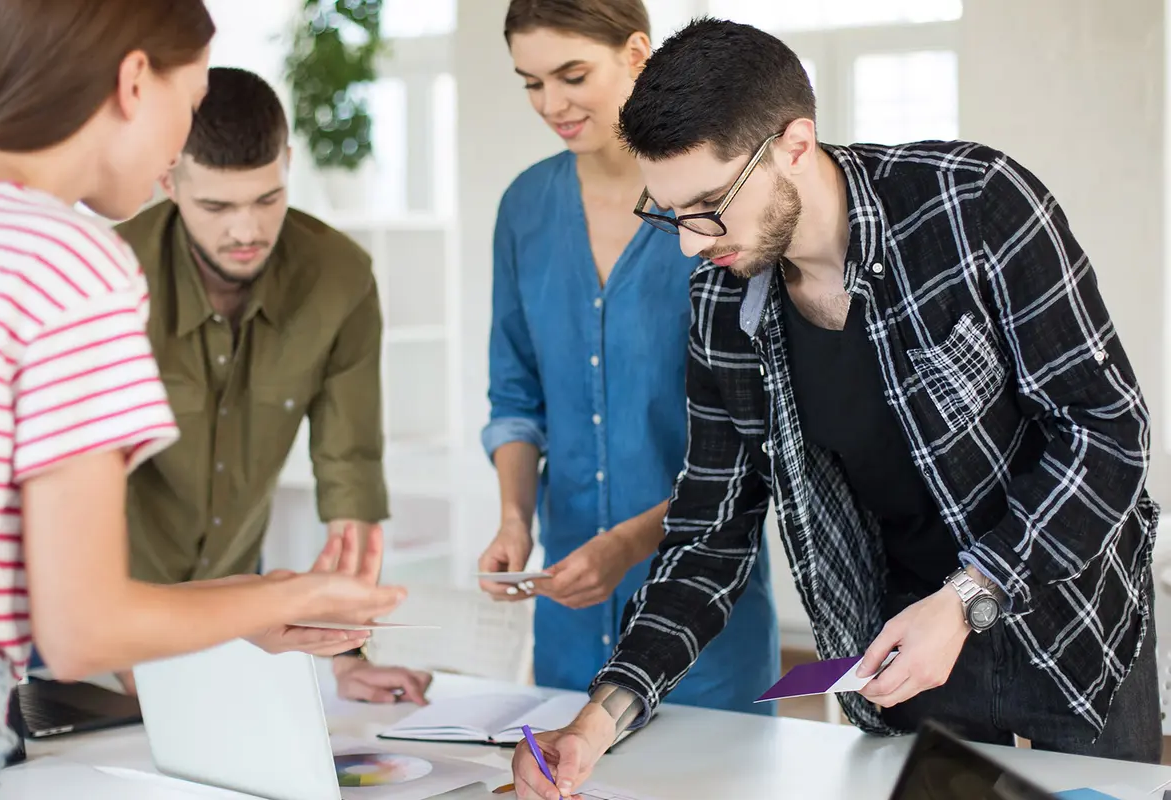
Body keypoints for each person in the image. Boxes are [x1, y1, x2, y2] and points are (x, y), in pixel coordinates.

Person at [511, 17, 1161, 799]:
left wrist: (966, 599)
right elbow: (709, 534)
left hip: (1071, 615)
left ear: (793, 142)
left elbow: (1107, 433)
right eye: (668, 210)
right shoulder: (725, 296)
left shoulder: (974, 205)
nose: (687, 242)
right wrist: (601, 717)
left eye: (709, 203)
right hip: (899, 642)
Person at [0, 2, 405, 797]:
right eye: (193, 97)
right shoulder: (74, 265)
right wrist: (296, 596)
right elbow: (82, 632)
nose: (180, 143)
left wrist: (259, 602)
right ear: (137, 80)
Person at [477, 0, 779, 714]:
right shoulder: (524, 207)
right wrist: (515, 520)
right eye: (530, 82)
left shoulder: (717, 210)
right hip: (568, 615)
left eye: (571, 74)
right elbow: (515, 399)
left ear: (637, 53)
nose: (551, 103)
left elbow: (758, 441)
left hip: (708, 613)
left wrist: (627, 547)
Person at [112, 66, 430, 705]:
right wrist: (129, 657)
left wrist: (349, 654)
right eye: (216, 206)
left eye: (266, 198)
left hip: (235, 622)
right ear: (168, 178)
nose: (246, 231)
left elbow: (350, 476)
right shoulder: (110, 280)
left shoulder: (339, 279)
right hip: (100, 627)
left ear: (287, 163)